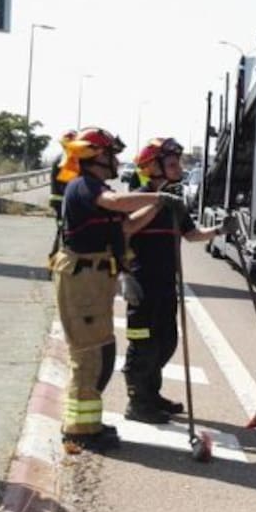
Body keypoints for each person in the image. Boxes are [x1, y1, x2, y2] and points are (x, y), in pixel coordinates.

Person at [52, 127, 186, 453]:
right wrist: (157, 196)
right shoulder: (85, 186)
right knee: (89, 357)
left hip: (95, 280)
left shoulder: (95, 188)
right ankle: (80, 431)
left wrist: (160, 204)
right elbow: (118, 203)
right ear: (96, 155)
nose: (117, 159)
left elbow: (126, 226)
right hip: (82, 278)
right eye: (112, 153)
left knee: (101, 353)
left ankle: (87, 424)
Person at [121, 138, 235, 423]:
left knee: (166, 341)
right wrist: (124, 276)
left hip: (165, 285)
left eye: (178, 163)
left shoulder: (176, 202)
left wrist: (220, 230)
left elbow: (191, 234)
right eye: (172, 164)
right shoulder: (139, 197)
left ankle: (151, 393)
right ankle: (137, 402)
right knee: (143, 344)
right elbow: (126, 229)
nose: (178, 168)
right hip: (141, 286)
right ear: (153, 168)